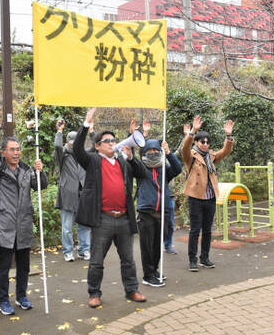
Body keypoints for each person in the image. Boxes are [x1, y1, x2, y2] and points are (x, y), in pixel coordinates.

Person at [73, 108, 147, 308]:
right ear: (97, 146)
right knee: (97, 260)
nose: (112, 143)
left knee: (128, 260)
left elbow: (142, 173)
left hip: (123, 218)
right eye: (107, 141)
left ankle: (132, 290)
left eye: (114, 140)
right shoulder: (93, 160)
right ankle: (94, 293)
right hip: (103, 219)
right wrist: (85, 124)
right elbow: (77, 150)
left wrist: (132, 157)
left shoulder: (123, 162)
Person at [0, 115, 48, 316]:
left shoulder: (26, 170)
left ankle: (21, 296)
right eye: (12, 150)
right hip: (4, 225)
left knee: (24, 265)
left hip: (24, 224)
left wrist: (40, 172)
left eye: (18, 149)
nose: (17, 153)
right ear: (3, 152)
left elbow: (40, 186)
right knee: (4, 265)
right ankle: (2, 300)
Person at [182, 115, 234, 272]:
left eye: (207, 142)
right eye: (202, 141)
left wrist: (228, 136)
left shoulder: (211, 157)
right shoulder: (191, 156)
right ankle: (192, 260)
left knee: (207, 230)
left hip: (210, 198)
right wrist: (192, 131)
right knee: (194, 230)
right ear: (197, 142)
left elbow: (225, 151)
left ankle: (204, 258)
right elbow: (185, 148)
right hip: (196, 198)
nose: (205, 144)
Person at [135, 136, 182, 287]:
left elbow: (178, 169)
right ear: (145, 152)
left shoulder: (164, 168)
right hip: (146, 212)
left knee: (157, 245)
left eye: (156, 149)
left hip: (162, 211)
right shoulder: (141, 168)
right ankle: (147, 275)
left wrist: (169, 153)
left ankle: (154, 270)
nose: (153, 152)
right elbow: (131, 162)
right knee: (147, 246)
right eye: (150, 150)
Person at [54, 119, 91, 262]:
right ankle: (68, 252)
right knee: (67, 227)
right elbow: (57, 146)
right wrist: (59, 131)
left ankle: (83, 251)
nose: (75, 145)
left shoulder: (84, 155)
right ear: (68, 142)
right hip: (68, 196)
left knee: (84, 226)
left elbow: (95, 149)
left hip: (83, 196)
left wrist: (90, 130)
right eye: (72, 142)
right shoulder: (63, 155)